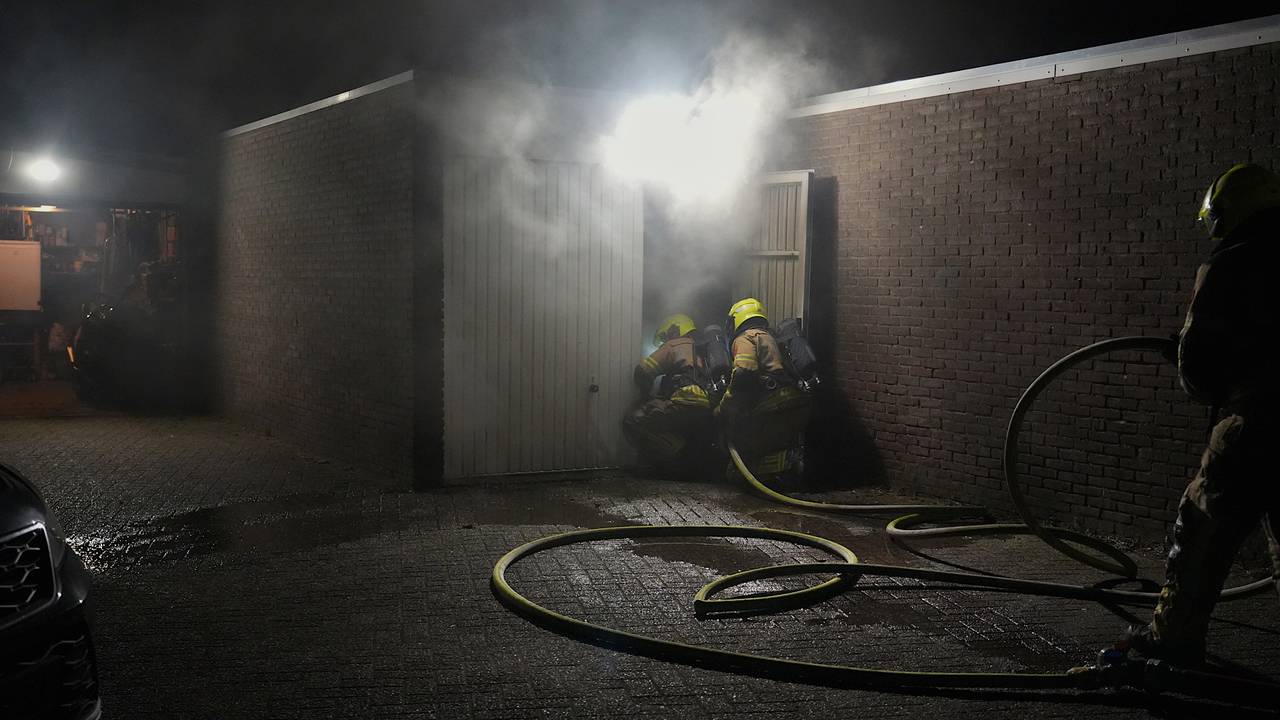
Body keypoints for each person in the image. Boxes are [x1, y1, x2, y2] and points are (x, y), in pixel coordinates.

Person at [1120, 163, 1280, 665]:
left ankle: (1173, 643)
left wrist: (1186, 359)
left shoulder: (1231, 263)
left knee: (1202, 529)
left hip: (1257, 423)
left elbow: (1201, 370)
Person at [714, 297, 812, 476]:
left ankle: (788, 461)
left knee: (740, 464)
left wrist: (725, 407)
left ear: (736, 319)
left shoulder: (745, 338)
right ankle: (790, 467)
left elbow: (744, 372)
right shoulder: (772, 336)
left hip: (771, 404)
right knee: (773, 446)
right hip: (794, 398)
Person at [622, 313, 713, 464]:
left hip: (683, 401)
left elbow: (643, 371)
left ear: (674, 330)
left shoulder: (674, 345)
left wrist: (645, 396)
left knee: (633, 419)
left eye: (665, 336)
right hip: (708, 407)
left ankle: (678, 456)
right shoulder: (705, 349)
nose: (665, 340)